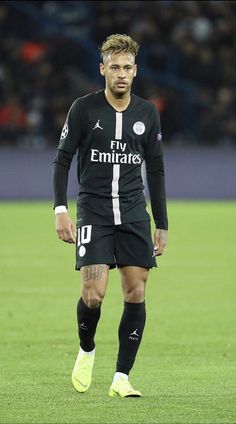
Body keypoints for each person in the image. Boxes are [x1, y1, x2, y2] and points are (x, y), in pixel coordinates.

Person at [53, 34, 168, 398]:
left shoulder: (147, 113)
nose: (121, 74)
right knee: (93, 295)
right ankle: (87, 348)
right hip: (95, 212)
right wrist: (60, 210)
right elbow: (63, 159)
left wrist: (162, 223)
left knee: (136, 291)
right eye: (114, 67)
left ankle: (122, 376)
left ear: (136, 72)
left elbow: (156, 170)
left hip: (134, 212)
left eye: (128, 68)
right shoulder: (84, 109)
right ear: (102, 69)